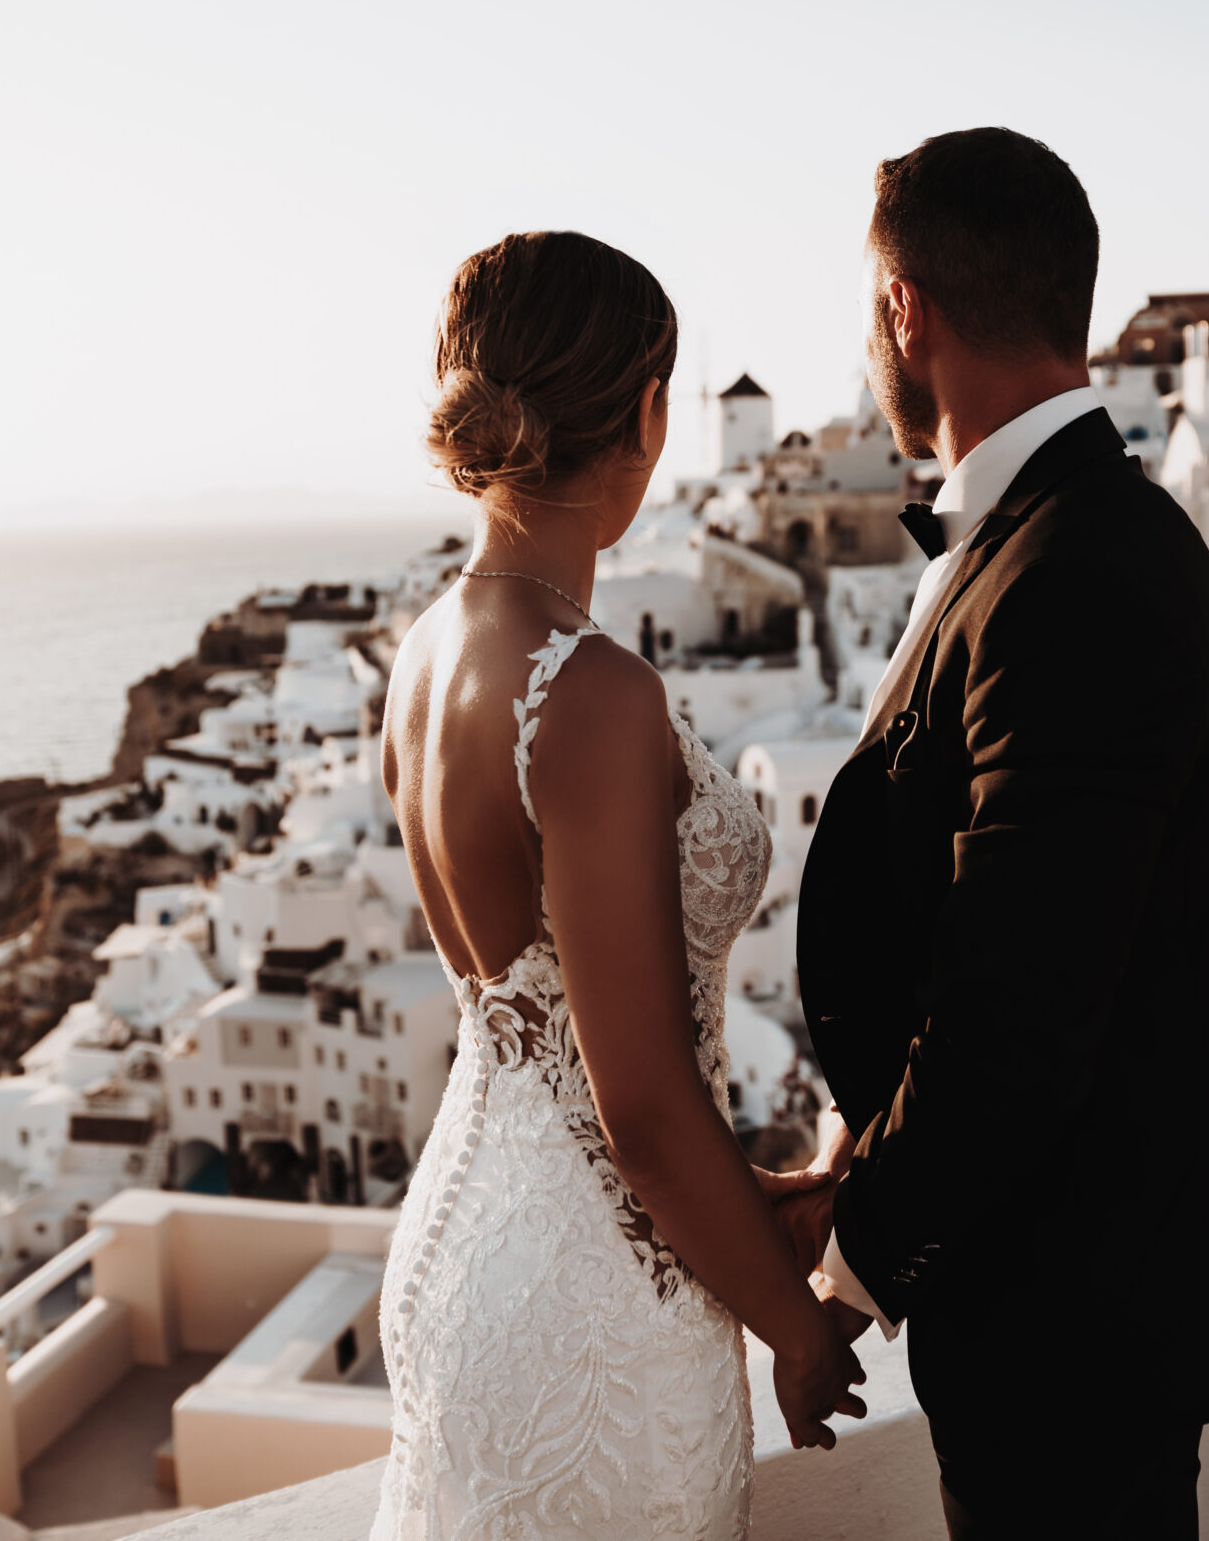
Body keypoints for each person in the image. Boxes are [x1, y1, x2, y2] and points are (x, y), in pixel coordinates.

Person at [778, 129, 1209, 1538]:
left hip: (1072, 1302)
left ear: (905, 306)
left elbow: (1021, 997)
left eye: (871, 311)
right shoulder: (1050, 539)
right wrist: (854, 1170)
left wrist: (854, 1263)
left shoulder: (1078, 568)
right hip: (1054, 1277)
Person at [370, 231, 864, 1541]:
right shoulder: (588, 690)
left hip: (468, 1247)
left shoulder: (425, 651)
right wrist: (795, 1327)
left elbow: (545, 1028)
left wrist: (739, 1203)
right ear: (650, 412)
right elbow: (636, 1102)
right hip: (593, 1300)